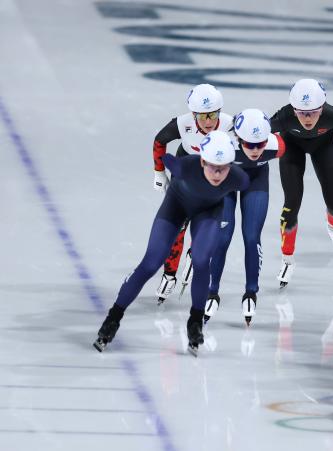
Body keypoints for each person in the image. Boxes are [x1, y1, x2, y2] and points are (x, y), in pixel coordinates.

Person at [93, 131, 249, 356]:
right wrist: (160, 171)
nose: (217, 173)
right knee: (151, 262)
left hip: (208, 212)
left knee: (202, 260)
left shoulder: (238, 178)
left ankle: (195, 321)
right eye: (213, 165)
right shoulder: (185, 167)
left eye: (223, 167)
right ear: (203, 160)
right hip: (175, 207)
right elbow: (164, 157)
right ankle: (113, 318)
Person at [151, 84, 234, 304]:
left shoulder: (229, 124)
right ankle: (169, 274)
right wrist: (159, 172)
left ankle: (194, 253)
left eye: (213, 115)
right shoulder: (183, 123)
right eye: (203, 116)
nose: (208, 121)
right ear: (193, 114)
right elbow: (160, 141)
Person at [270, 79, 333, 287]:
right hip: (292, 150)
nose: (308, 118)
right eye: (301, 113)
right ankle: (287, 259)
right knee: (291, 203)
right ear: (293, 109)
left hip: (323, 148)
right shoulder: (283, 117)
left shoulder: (332, 115)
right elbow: (258, 130)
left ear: (322, 108)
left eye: (313, 112)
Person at [206, 109, 286, 325]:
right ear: (238, 138)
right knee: (222, 237)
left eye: (260, 144)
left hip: (257, 181)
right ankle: (212, 291)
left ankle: (251, 292)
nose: (255, 149)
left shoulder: (276, 146)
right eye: (249, 144)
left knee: (252, 237)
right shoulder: (224, 144)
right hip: (227, 180)